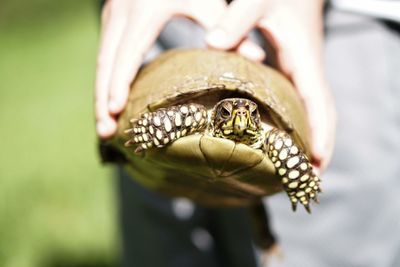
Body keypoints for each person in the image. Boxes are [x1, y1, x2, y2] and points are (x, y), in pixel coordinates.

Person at [95, 0, 400, 266]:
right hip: (162, 19)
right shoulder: (194, 115)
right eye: (228, 113)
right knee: (164, 245)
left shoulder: (271, 138)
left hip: (336, 20)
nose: (240, 117)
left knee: (327, 240)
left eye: (249, 113)